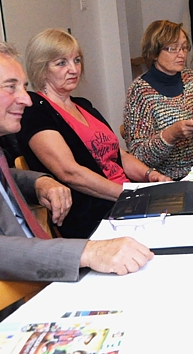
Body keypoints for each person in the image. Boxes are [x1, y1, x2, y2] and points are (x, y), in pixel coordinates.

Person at [0, 37, 154, 307]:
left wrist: (39, 181)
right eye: (11, 87)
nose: (26, 99)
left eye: (23, 87)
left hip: (33, 277)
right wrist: (86, 252)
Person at [16, 29, 171, 240]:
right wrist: (130, 195)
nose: (74, 69)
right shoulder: (35, 109)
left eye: (77, 60)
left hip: (124, 199)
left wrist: (150, 175)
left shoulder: (83, 105)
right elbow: (70, 172)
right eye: (61, 63)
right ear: (41, 69)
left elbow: (118, 154)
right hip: (94, 213)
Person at [124, 20, 193, 180]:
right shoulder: (140, 92)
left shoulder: (189, 77)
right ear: (154, 52)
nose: (182, 54)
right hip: (171, 178)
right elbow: (138, 157)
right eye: (173, 48)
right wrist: (171, 134)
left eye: (184, 47)